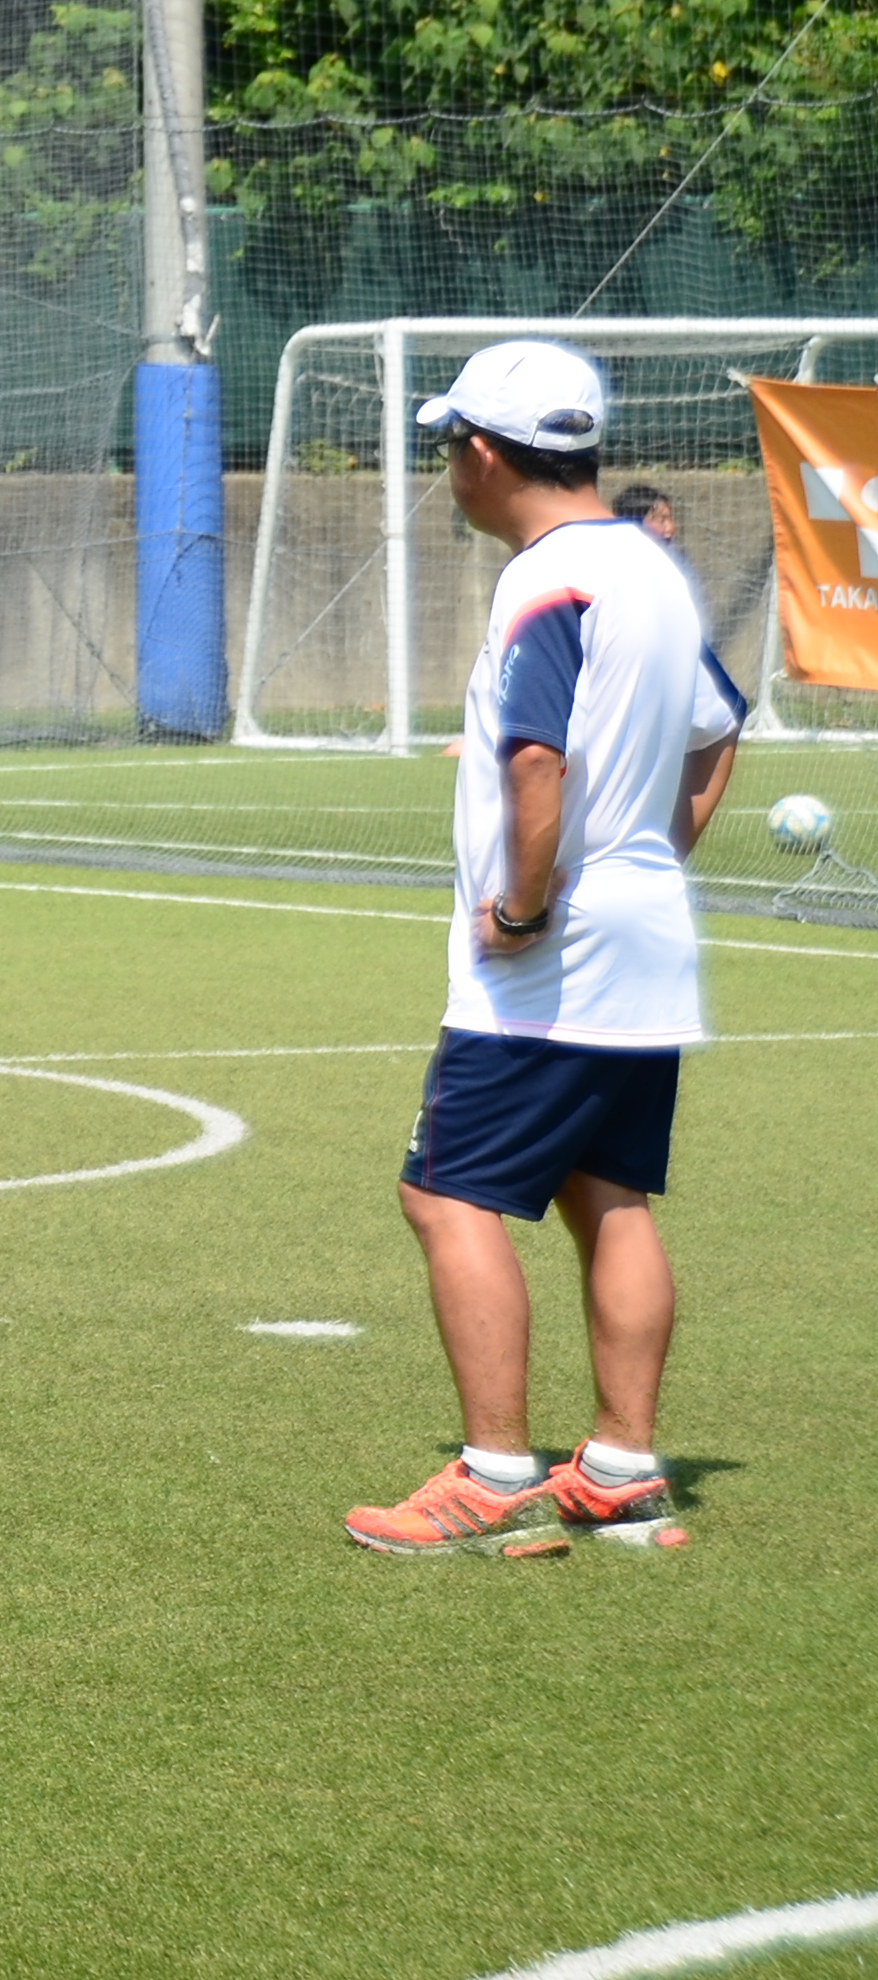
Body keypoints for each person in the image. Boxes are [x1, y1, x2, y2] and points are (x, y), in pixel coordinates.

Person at [345, 339, 744, 1556]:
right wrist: (645, 855)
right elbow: (716, 731)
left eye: (443, 449)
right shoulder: (653, 569)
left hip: (548, 951)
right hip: (639, 933)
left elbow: (533, 764)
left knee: (443, 1194)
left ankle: (492, 1473)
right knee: (602, 1189)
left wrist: (522, 908)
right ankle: (621, 1469)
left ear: (478, 452)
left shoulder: (545, 583)